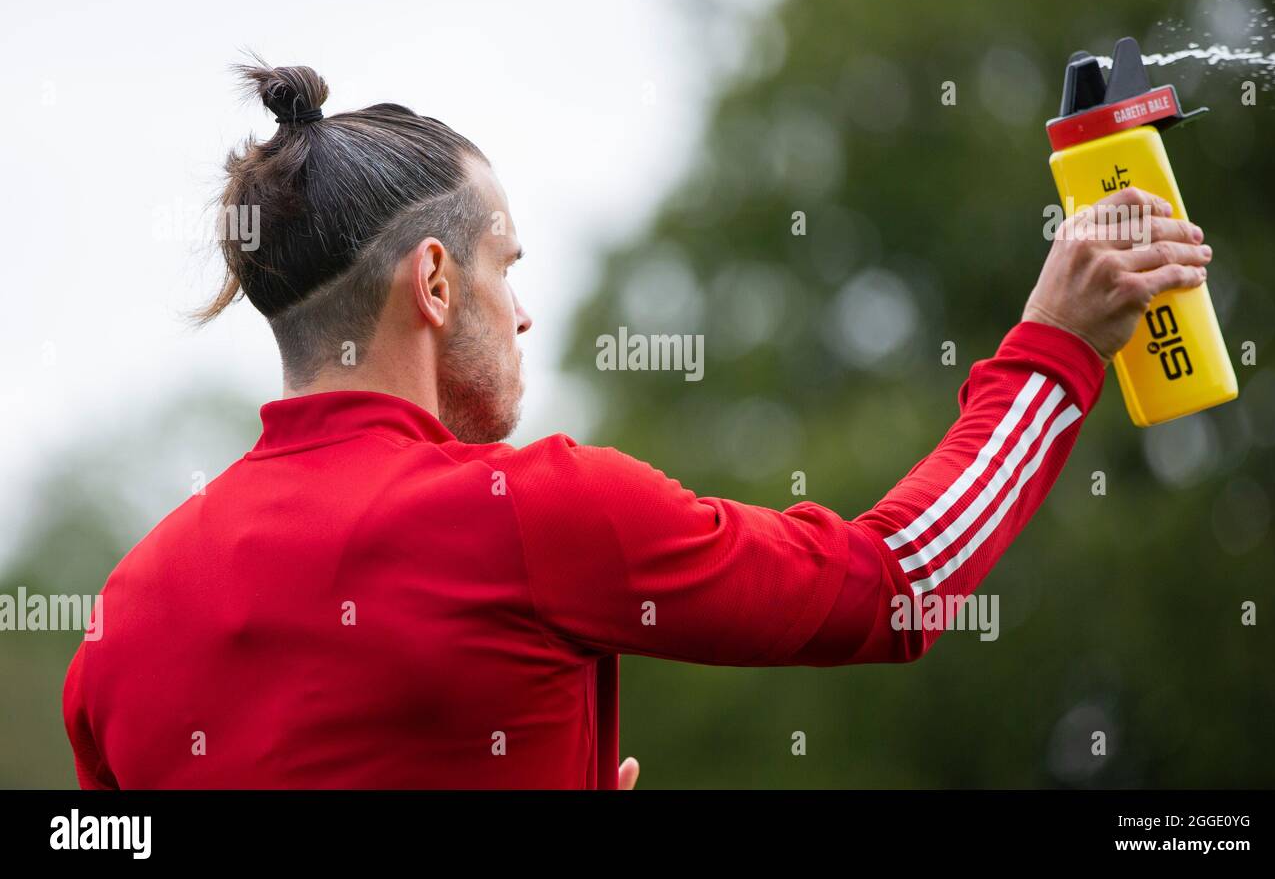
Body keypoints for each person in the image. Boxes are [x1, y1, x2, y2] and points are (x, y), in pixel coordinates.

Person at [62, 60, 1213, 789]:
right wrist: (1056, 342)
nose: (526, 311)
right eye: (506, 265)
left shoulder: (120, 613)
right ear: (434, 281)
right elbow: (894, 580)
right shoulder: (530, 510)